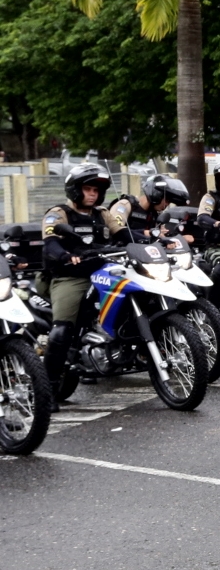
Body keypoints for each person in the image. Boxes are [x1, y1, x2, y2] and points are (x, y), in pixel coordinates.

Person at [40, 162, 115, 400]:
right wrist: (63, 255)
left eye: (96, 190)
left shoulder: (104, 214)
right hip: (69, 277)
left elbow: (124, 234)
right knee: (62, 331)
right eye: (88, 189)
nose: (93, 194)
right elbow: (50, 240)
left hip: (102, 273)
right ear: (75, 189)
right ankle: (48, 390)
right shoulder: (59, 213)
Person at [106, 173, 187, 243]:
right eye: (166, 199)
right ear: (156, 194)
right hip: (120, 253)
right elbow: (117, 231)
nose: (167, 204)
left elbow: (159, 235)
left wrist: (179, 239)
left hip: (145, 254)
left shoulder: (155, 214)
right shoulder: (125, 205)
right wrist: (146, 233)